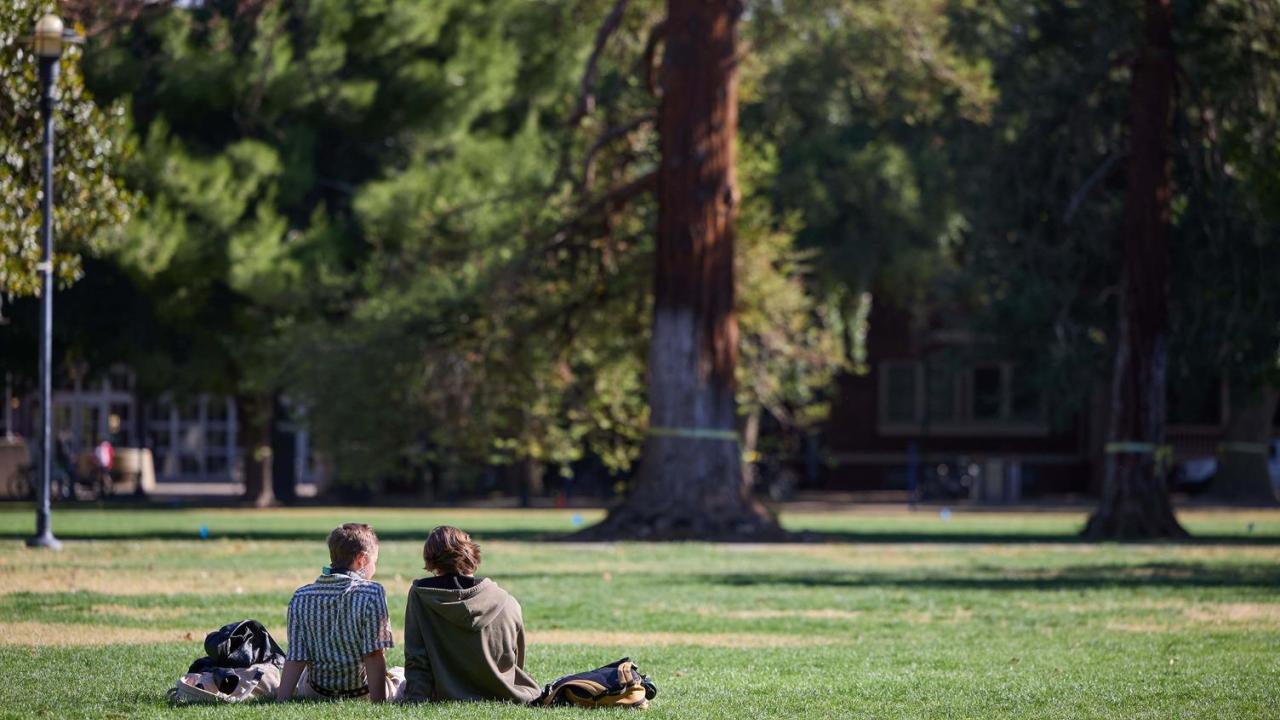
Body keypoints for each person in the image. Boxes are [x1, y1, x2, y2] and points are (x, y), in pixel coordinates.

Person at [403, 525, 542, 704]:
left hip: (445, 695)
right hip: (508, 694)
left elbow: (417, 658)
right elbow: (515, 658)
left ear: (432, 559)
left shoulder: (421, 596)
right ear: (471, 554)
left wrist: (416, 699)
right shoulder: (507, 601)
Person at [276, 523, 404, 702]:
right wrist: (379, 704)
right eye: (374, 562)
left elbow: (296, 657)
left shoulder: (301, 595)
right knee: (402, 675)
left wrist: (282, 700)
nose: (374, 568)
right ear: (362, 559)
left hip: (316, 692)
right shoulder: (371, 593)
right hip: (361, 692)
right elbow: (374, 655)